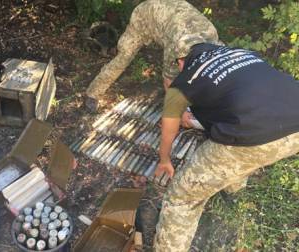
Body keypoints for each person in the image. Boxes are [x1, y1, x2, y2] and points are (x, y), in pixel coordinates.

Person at [153, 42, 299, 251]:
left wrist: (165, 160)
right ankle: (234, 189)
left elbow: (169, 127)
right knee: (249, 152)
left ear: (181, 61)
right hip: (295, 125)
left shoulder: (184, 81)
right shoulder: (242, 52)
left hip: (252, 134)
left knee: (181, 199)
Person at [85, 0, 222, 112]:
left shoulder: (213, 38)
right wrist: (179, 112)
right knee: (124, 56)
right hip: (144, 16)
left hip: (169, 18)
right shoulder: (178, 48)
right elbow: (169, 82)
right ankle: (92, 93)